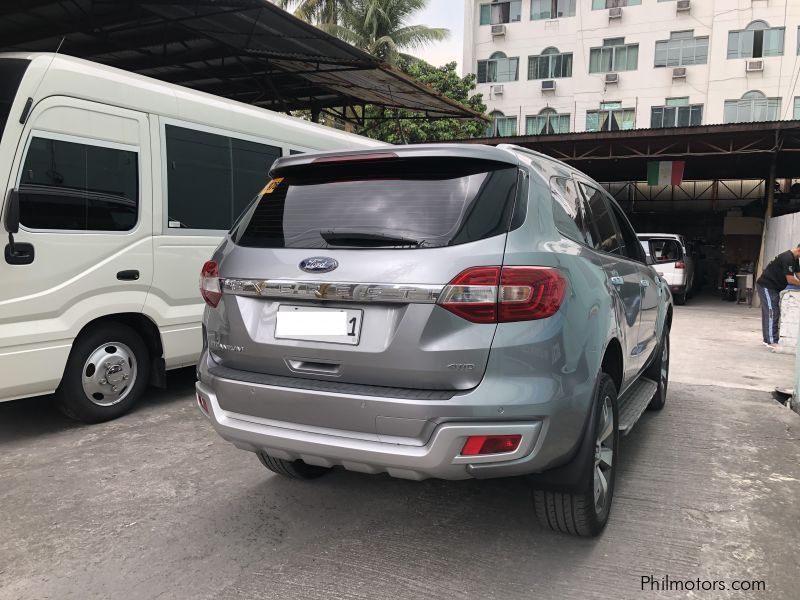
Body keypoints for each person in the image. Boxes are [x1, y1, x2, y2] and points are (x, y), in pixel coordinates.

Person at [756, 244, 800, 348]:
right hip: (767, 286)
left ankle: (767, 339)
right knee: (772, 312)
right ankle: (772, 341)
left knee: (770, 312)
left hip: (774, 288)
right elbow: (791, 279)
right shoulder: (787, 258)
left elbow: (798, 274)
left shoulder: (795, 259)